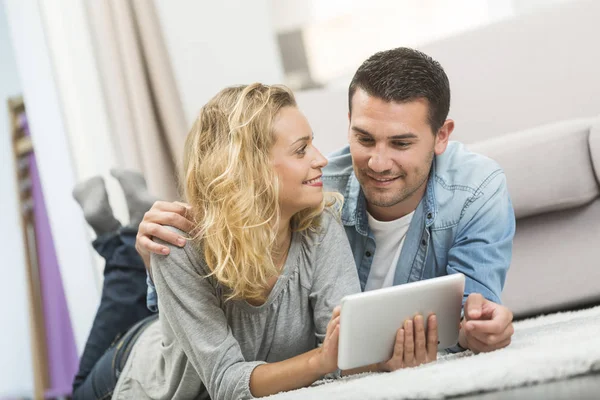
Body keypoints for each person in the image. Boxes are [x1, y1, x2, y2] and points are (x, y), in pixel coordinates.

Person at [71, 84, 440, 400]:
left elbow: (341, 347)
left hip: (175, 330)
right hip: (142, 373)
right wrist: (322, 360)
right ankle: (114, 238)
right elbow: (226, 383)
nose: (321, 160)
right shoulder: (183, 245)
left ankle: (122, 231)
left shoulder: (320, 222)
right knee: (76, 388)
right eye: (301, 150)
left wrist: (379, 357)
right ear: (252, 168)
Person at [137, 47, 516, 354]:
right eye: (364, 139)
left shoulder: (477, 191)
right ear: (349, 121)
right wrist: (153, 265)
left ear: (442, 136)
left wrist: (478, 330)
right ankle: (121, 243)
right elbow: (206, 278)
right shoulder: (319, 187)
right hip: (154, 348)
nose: (379, 163)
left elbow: (469, 314)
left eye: (401, 143)